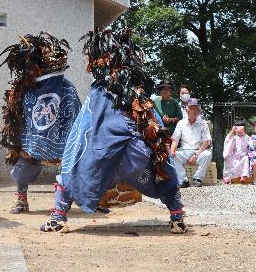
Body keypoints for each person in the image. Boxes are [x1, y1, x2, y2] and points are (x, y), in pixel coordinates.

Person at [40, 28, 187, 234]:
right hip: (137, 157)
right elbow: (151, 129)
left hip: (106, 155)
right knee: (162, 163)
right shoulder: (138, 94)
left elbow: (83, 133)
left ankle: (57, 218)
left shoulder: (99, 92)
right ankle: (177, 217)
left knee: (72, 164)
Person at [0, 32, 81, 214]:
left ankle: (62, 202)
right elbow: (17, 116)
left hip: (60, 139)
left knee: (70, 167)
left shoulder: (67, 88)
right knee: (23, 164)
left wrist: (67, 144)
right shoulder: (24, 88)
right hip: (31, 142)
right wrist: (19, 142)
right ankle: (21, 200)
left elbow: (74, 117)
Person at [171, 98, 212, 187]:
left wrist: (196, 155)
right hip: (184, 151)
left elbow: (206, 142)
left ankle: (197, 179)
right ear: (187, 110)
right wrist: (172, 149)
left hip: (199, 151)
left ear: (199, 111)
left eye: (196, 109)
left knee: (207, 154)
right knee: (172, 155)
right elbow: (175, 139)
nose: (194, 111)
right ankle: (183, 180)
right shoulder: (181, 123)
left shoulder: (203, 123)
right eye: (192, 108)